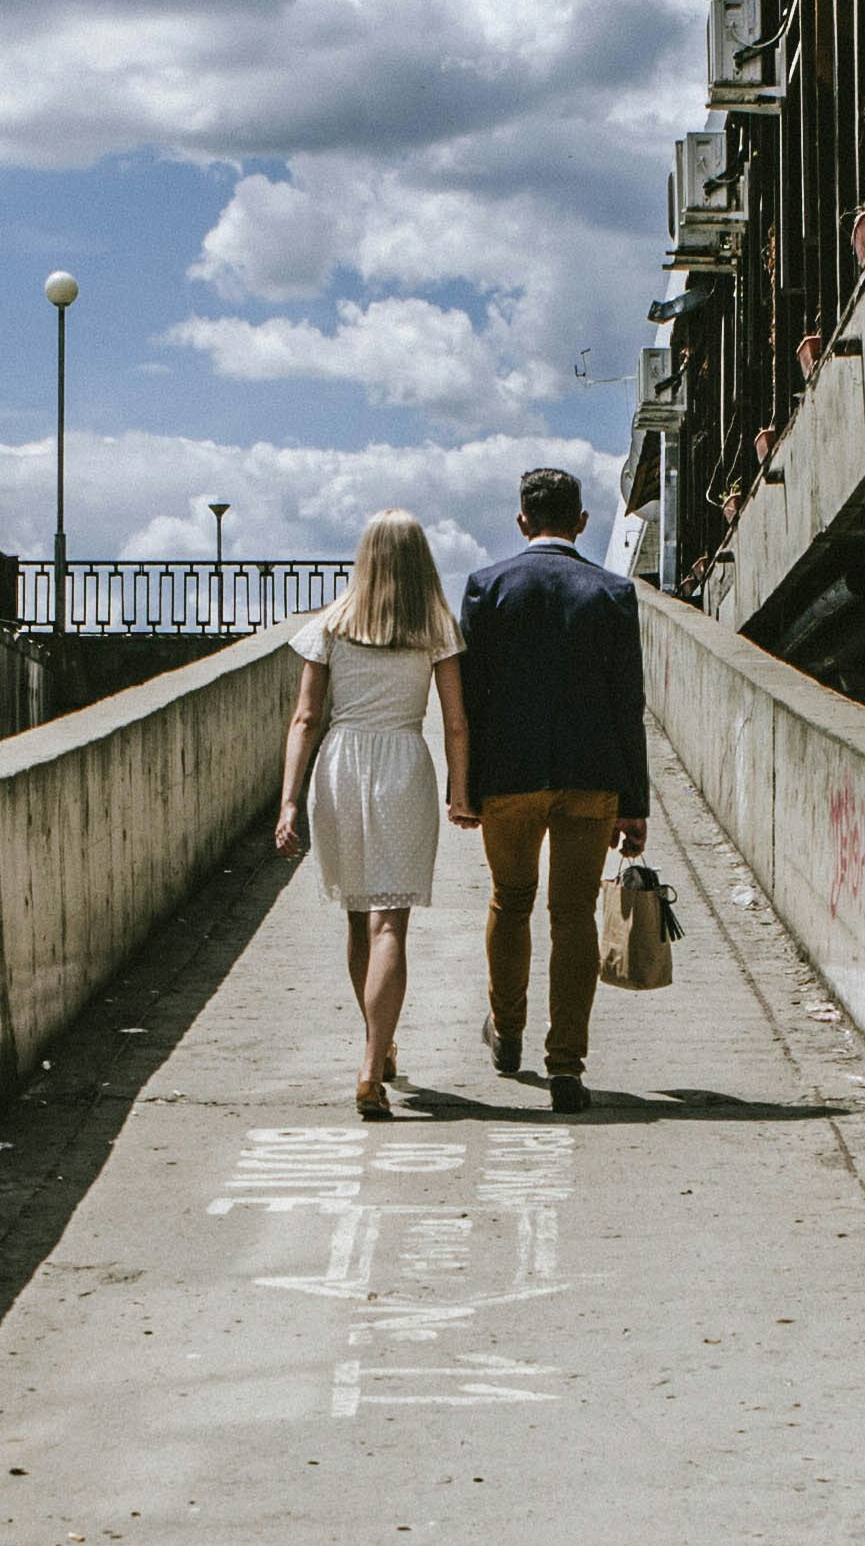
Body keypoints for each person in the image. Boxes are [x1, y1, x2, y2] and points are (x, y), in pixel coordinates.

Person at [455, 465, 651, 1112]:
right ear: (582, 523)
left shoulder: (487, 588)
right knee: (572, 918)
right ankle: (566, 1068)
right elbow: (629, 704)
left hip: (508, 779)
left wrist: (466, 785)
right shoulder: (612, 593)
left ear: (521, 521)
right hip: (591, 779)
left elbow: (471, 701)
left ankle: (507, 1034)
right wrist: (635, 802)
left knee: (510, 901)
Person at [269, 510, 472, 1121]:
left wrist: (287, 800)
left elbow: (305, 718)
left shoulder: (331, 623)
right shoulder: (435, 626)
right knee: (391, 926)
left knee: (358, 922)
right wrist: (460, 790)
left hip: (340, 766)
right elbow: (457, 721)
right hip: (403, 767)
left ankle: (375, 1050)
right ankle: (371, 1059)